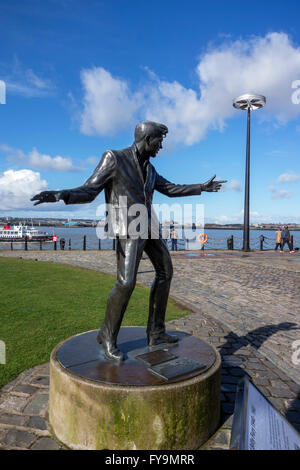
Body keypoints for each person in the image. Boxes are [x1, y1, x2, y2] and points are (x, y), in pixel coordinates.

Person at [31, 121, 226, 361]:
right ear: (147, 139)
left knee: (165, 271)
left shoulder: (151, 169)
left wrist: (201, 187)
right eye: (159, 141)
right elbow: (90, 189)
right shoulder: (114, 157)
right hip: (129, 226)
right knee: (126, 282)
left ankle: (156, 332)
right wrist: (62, 194)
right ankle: (107, 336)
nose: (161, 147)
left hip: (149, 226)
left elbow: (171, 188)